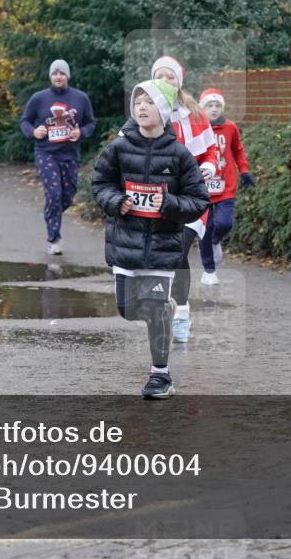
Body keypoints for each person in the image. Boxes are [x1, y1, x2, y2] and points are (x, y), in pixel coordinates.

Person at [93, 79, 210, 398]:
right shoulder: (118, 148)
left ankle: (161, 375)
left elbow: (199, 200)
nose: (141, 107)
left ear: (162, 110)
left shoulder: (180, 155)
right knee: (127, 310)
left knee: (156, 308)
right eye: (137, 101)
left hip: (161, 247)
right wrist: (116, 201)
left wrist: (170, 205)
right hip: (125, 245)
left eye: (149, 101)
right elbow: (100, 183)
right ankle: (164, 313)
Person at [149, 55, 219, 343]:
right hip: (156, 196)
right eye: (160, 76)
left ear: (179, 82)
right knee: (163, 253)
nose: (165, 81)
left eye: (170, 77)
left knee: (179, 250)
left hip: (190, 195)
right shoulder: (145, 111)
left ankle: (181, 313)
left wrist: (208, 167)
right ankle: (164, 305)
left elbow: (211, 151)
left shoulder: (195, 113)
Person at [19, 59, 96, 255]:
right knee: (53, 195)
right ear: (50, 76)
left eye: (62, 73)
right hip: (46, 152)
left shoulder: (80, 98)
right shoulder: (39, 98)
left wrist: (81, 133)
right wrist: (34, 132)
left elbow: (90, 123)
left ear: (67, 76)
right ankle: (54, 238)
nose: (58, 77)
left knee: (67, 196)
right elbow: (25, 121)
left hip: (70, 153)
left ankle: (51, 213)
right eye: (55, 73)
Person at [196, 88, 255, 284]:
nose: (214, 109)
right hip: (202, 187)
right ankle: (209, 271)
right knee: (206, 226)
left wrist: (244, 171)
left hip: (225, 185)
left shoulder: (230, 128)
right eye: (209, 106)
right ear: (202, 109)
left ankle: (215, 240)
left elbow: (238, 150)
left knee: (224, 223)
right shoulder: (197, 129)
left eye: (217, 106)